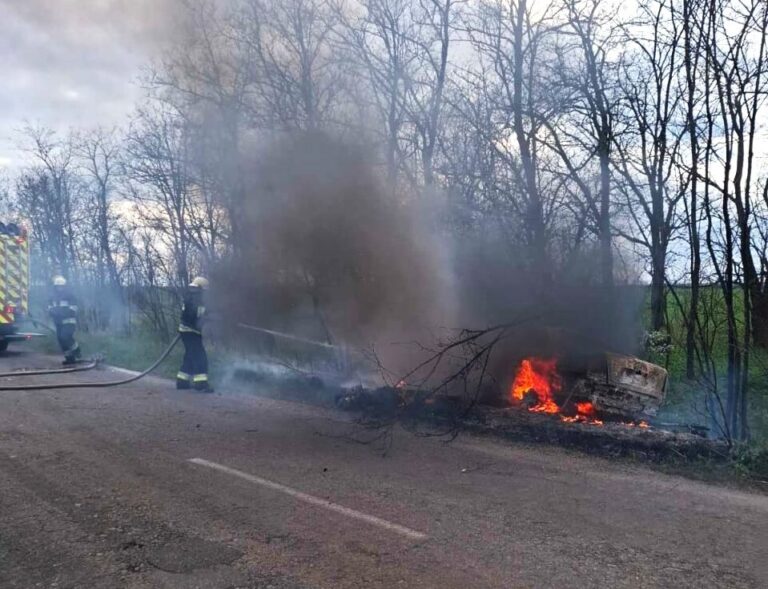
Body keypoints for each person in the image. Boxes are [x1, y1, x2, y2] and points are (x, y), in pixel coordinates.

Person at [177, 276, 213, 392]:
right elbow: (195, 318)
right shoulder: (197, 300)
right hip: (191, 332)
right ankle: (201, 384)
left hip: (186, 332)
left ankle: (182, 381)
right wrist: (207, 319)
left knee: (190, 356)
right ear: (201, 289)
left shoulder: (189, 297)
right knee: (200, 357)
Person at [48, 275, 81, 365]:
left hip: (69, 322)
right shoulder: (52, 297)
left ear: (64, 286)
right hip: (58, 323)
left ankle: (77, 350)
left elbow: (74, 308)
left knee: (65, 337)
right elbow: (50, 308)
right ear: (55, 287)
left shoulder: (70, 296)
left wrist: (63, 314)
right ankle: (69, 359)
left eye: (61, 286)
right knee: (61, 340)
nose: (59, 288)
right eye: (58, 286)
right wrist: (52, 313)